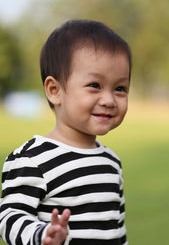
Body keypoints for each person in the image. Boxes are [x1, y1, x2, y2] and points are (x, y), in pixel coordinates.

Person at [0, 19, 132, 245]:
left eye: (120, 88)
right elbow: (9, 217)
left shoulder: (111, 162)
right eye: (95, 85)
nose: (109, 100)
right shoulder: (32, 161)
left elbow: (116, 229)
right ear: (55, 91)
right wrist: (42, 235)